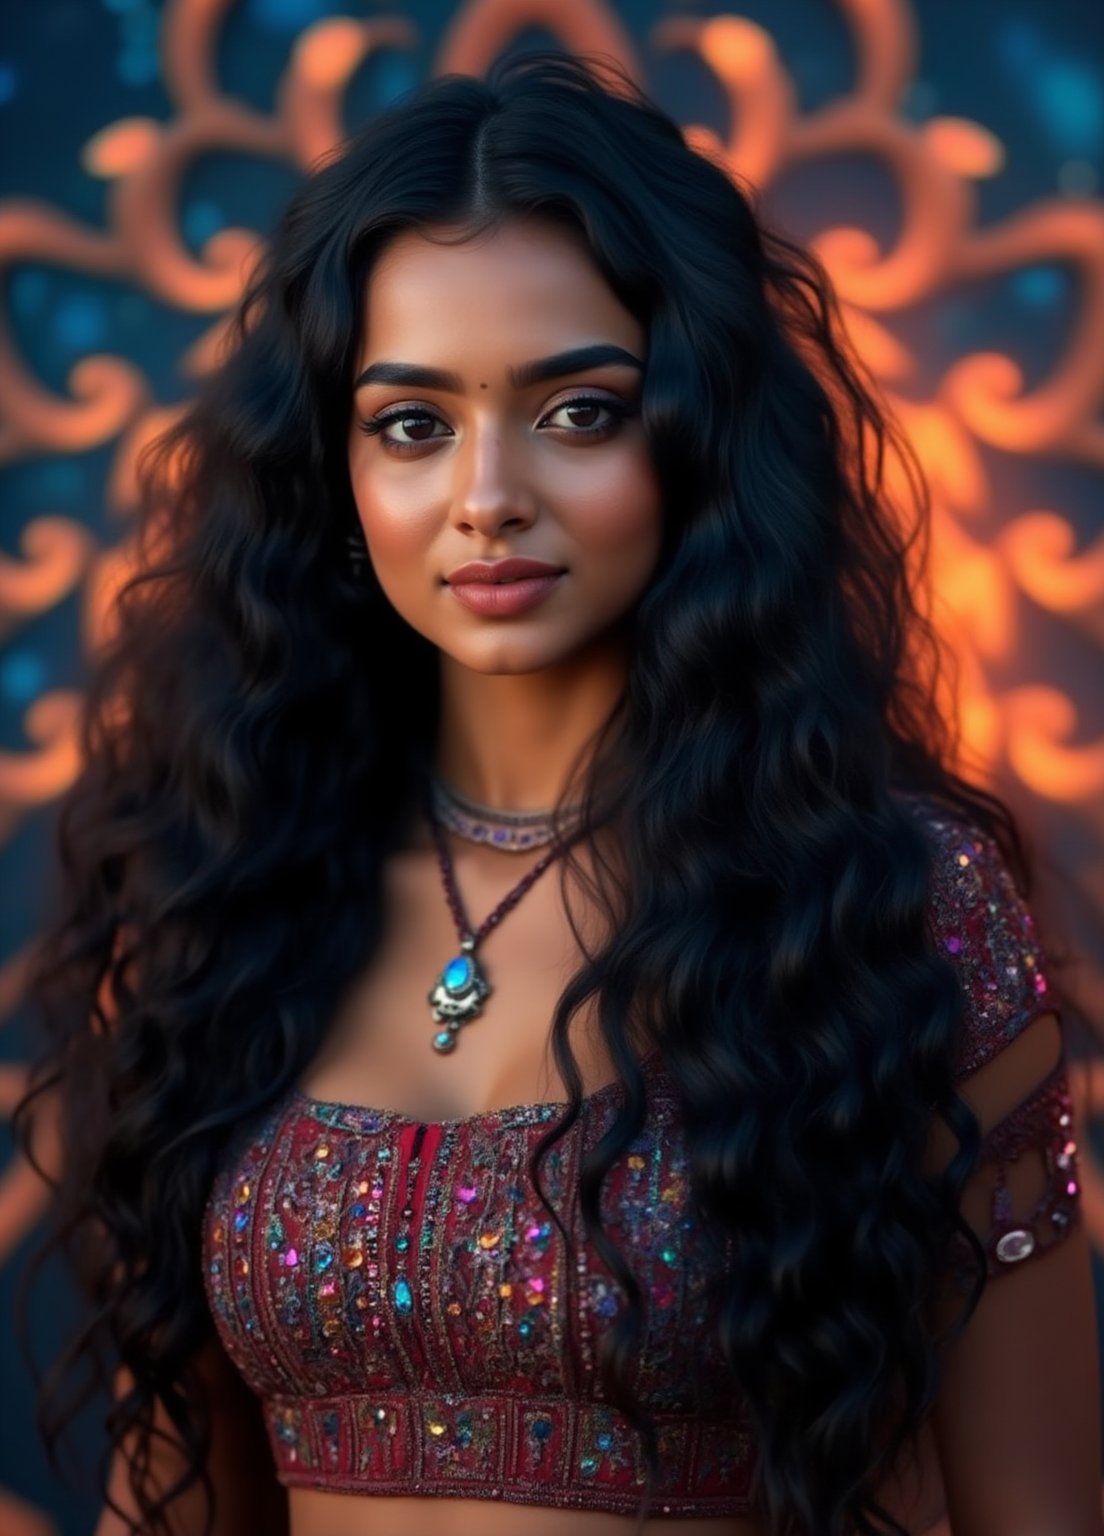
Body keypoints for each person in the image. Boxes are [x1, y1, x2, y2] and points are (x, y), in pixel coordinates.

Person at [14, 47, 1101, 1536]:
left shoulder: (886, 907)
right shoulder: (223, 895)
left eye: (577, 410)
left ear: (700, 443)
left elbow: (1036, 1513)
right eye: (412, 425)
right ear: (331, 477)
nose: (486, 494)